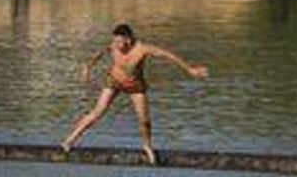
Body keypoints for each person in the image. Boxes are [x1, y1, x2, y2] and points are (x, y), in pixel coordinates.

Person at [61, 23, 209, 165]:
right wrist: (87, 67)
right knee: (97, 112)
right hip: (113, 81)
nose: (116, 44)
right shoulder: (113, 46)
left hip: (135, 86)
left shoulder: (142, 49)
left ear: (128, 39)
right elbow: (99, 53)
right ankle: (70, 140)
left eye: (119, 41)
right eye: (115, 41)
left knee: (144, 120)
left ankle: (147, 146)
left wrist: (189, 69)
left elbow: (167, 55)